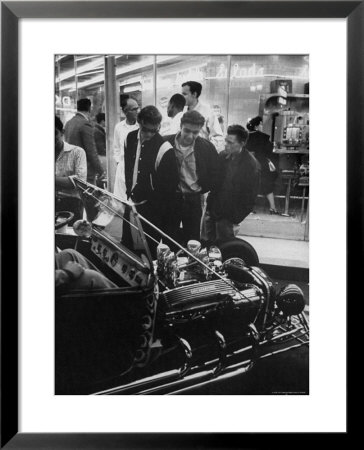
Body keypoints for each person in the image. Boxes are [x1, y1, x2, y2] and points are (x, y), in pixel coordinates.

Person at [164, 110, 220, 245]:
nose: (190, 135)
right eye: (187, 131)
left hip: (193, 199)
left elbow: (216, 172)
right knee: (169, 238)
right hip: (171, 199)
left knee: (193, 240)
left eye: (195, 132)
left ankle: (191, 265)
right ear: (180, 126)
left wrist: (202, 188)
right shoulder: (165, 143)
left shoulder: (206, 147)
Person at [124, 105, 178, 238]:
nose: (149, 134)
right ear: (139, 123)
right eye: (145, 129)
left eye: (154, 130)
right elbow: (128, 169)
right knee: (127, 245)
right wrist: (128, 190)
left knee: (150, 250)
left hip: (153, 209)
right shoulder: (129, 139)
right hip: (131, 202)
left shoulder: (165, 148)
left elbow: (169, 187)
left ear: (159, 126)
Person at [202, 125, 261, 244]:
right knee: (205, 246)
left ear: (242, 143)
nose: (226, 144)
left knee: (225, 250)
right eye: (226, 141)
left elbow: (250, 198)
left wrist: (234, 218)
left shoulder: (251, 165)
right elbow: (215, 183)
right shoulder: (223, 156)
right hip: (212, 211)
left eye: (230, 142)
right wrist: (209, 207)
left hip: (228, 218)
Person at [64, 98, 104, 185]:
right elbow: (91, 151)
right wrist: (101, 171)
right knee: (87, 196)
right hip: (85, 171)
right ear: (89, 108)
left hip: (70, 169)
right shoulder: (85, 124)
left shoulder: (68, 123)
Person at [55, 116, 87, 223]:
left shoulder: (77, 152)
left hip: (72, 204)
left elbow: (79, 182)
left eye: (54, 133)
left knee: (70, 237)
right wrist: (65, 181)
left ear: (62, 132)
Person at [246, 116, 279, 214]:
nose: (261, 126)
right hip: (262, 164)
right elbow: (269, 151)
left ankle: (249, 209)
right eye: (261, 124)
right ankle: (273, 208)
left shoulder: (245, 136)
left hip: (249, 164)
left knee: (250, 186)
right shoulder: (263, 137)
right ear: (257, 125)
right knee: (268, 185)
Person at [181, 81, 223, 148]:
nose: (181, 97)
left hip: (201, 152)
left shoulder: (208, 112)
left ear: (194, 94)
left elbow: (217, 137)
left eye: (184, 94)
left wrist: (207, 151)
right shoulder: (181, 112)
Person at [113, 97, 140, 200]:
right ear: (125, 111)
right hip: (122, 169)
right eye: (134, 109)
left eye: (138, 108)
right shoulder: (119, 127)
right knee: (121, 200)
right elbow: (116, 148)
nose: (137, 111)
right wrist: (119, 162)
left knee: (134, 200)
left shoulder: (140, 127)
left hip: (137, 168)